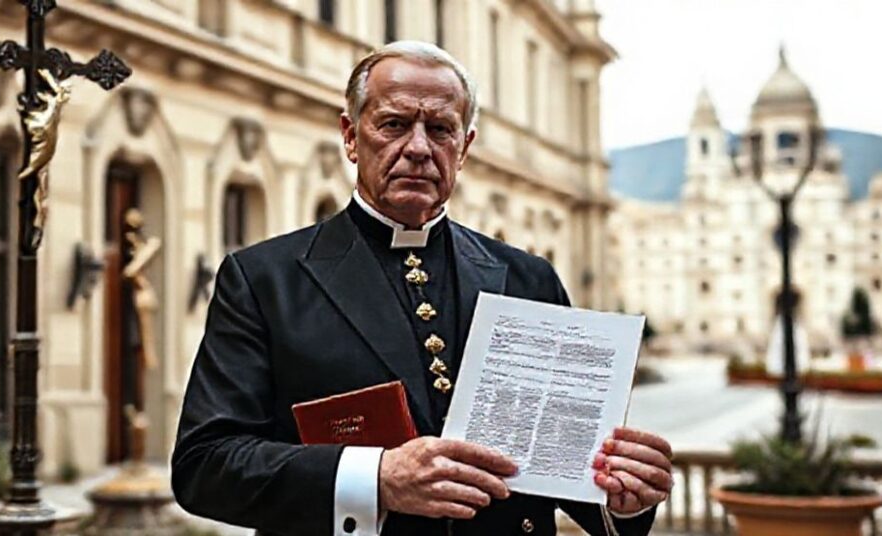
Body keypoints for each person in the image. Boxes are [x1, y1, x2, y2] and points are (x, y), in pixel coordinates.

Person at [172, 41, 673, 536]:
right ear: (350, 136)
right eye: (393, 124)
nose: (418, 148)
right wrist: (375, 479)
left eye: (439, 129)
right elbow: (204, 465)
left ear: (464, 147)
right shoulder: (265, 280)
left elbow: (570, 473)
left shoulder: (528, 279)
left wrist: (623, 496)